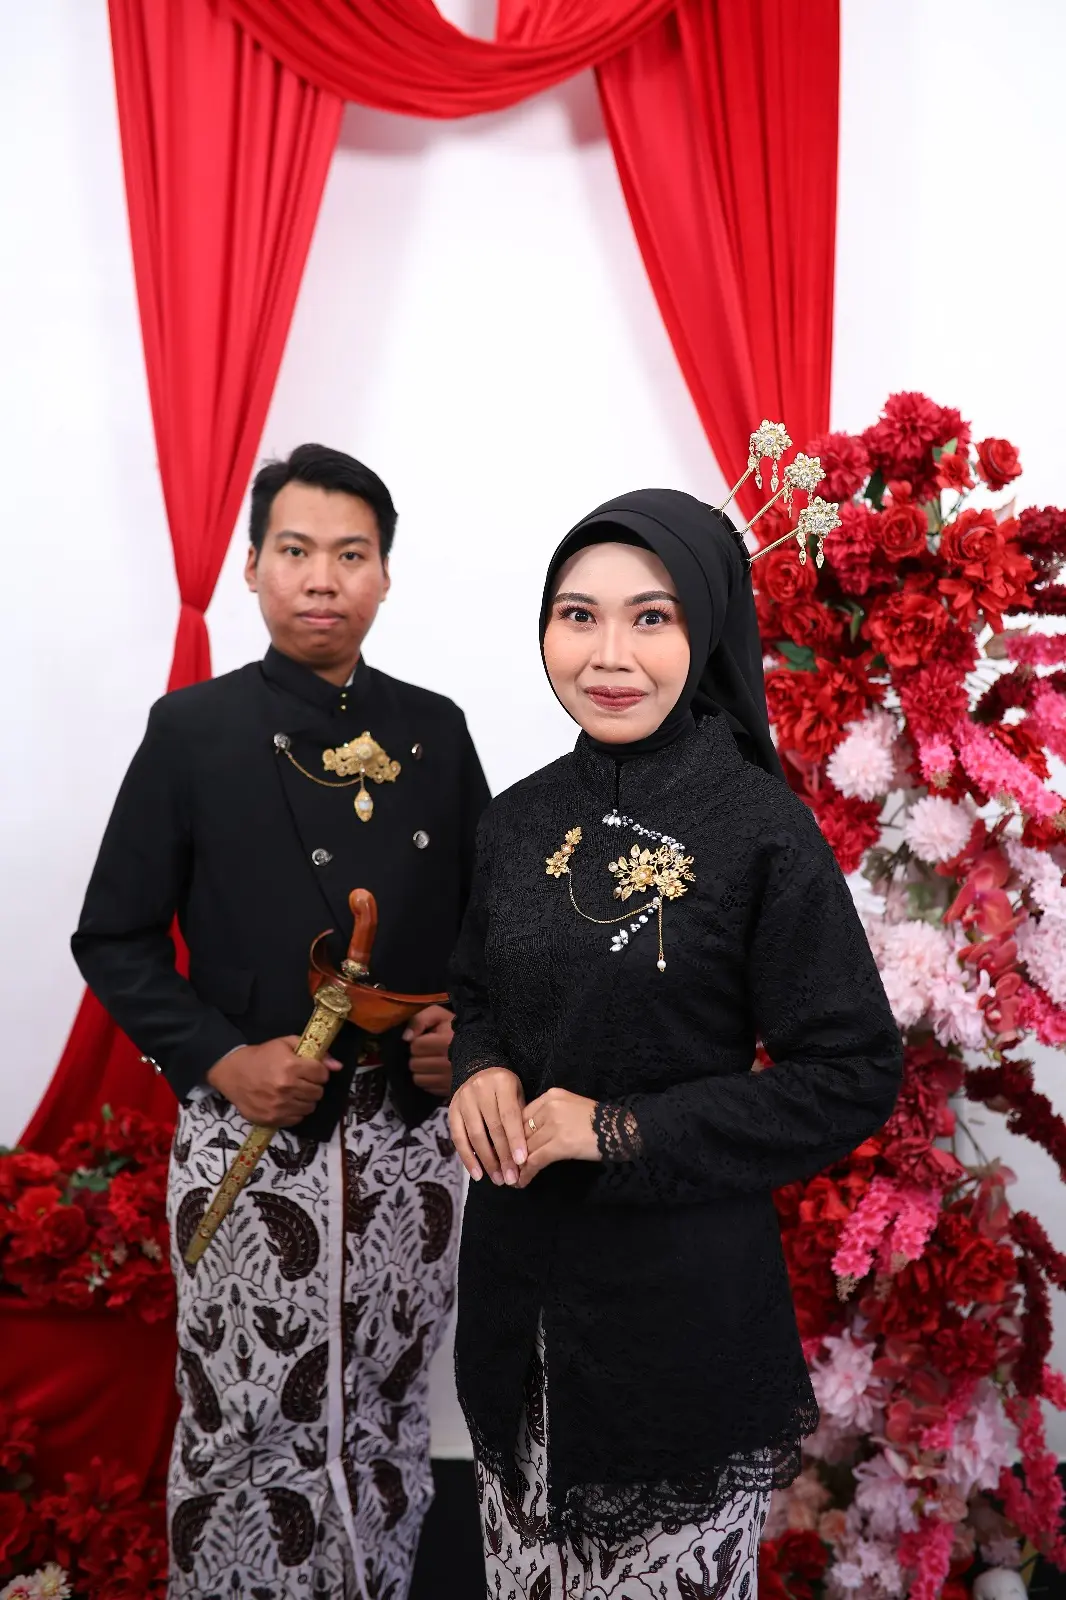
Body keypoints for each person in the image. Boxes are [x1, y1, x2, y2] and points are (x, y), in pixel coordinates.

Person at [447, 489, 902, 1598]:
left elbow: (851, 1073)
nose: (609, 654)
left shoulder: (760, 828)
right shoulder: (515, 819)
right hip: (516, 1314)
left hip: (678, 1321)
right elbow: (477, 991)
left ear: (706, 627)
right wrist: (480, 1067)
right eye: (578, 615)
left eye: (650, 617)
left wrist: (614, 1129)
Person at [73, 444, 490, 1599]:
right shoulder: (191, 730)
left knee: (389, 1415)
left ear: (385, 575)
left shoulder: (436, 730)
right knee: (240, 1425)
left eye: (350, 555)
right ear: (251, 565)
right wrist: (220, 1058)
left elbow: (490, 937)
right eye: (296, 550)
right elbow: (112, 936)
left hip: (409, 1149)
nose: (322, 578)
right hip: (249, 1139)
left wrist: (462, 1031)